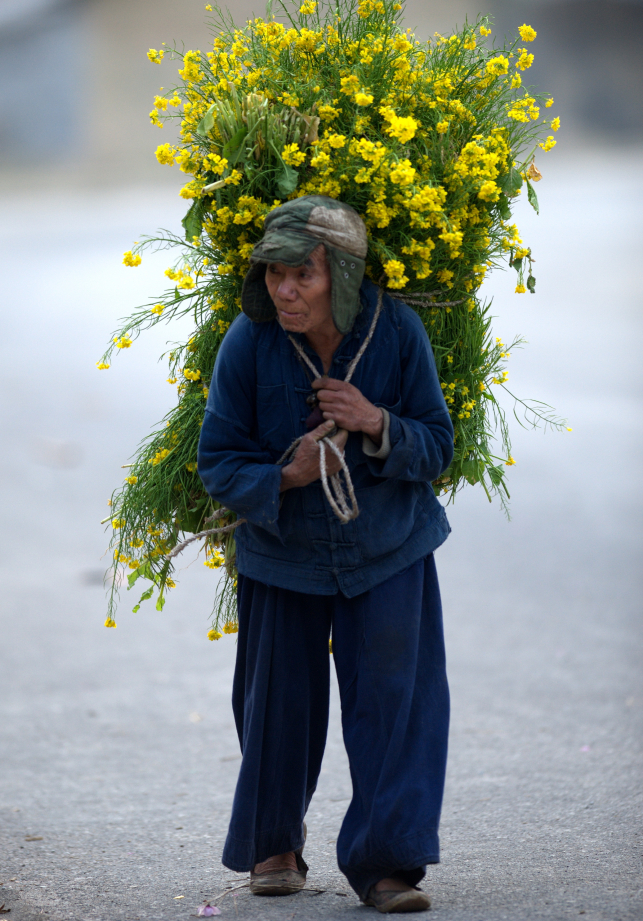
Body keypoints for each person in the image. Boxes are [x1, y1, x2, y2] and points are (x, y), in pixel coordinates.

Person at [197, 196, 454, 914]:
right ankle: (274, 844)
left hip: (389, 547)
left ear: (340, 275)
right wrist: (287, 476)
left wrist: (376, 422)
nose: (285, 289)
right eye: (275, 273)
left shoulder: (398, 333)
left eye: (302, 274)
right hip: (284, 554)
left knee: (396, 701)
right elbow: (216, 461)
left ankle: (386, 863)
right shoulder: (247, 345)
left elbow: (438, 442)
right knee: (277, 703)